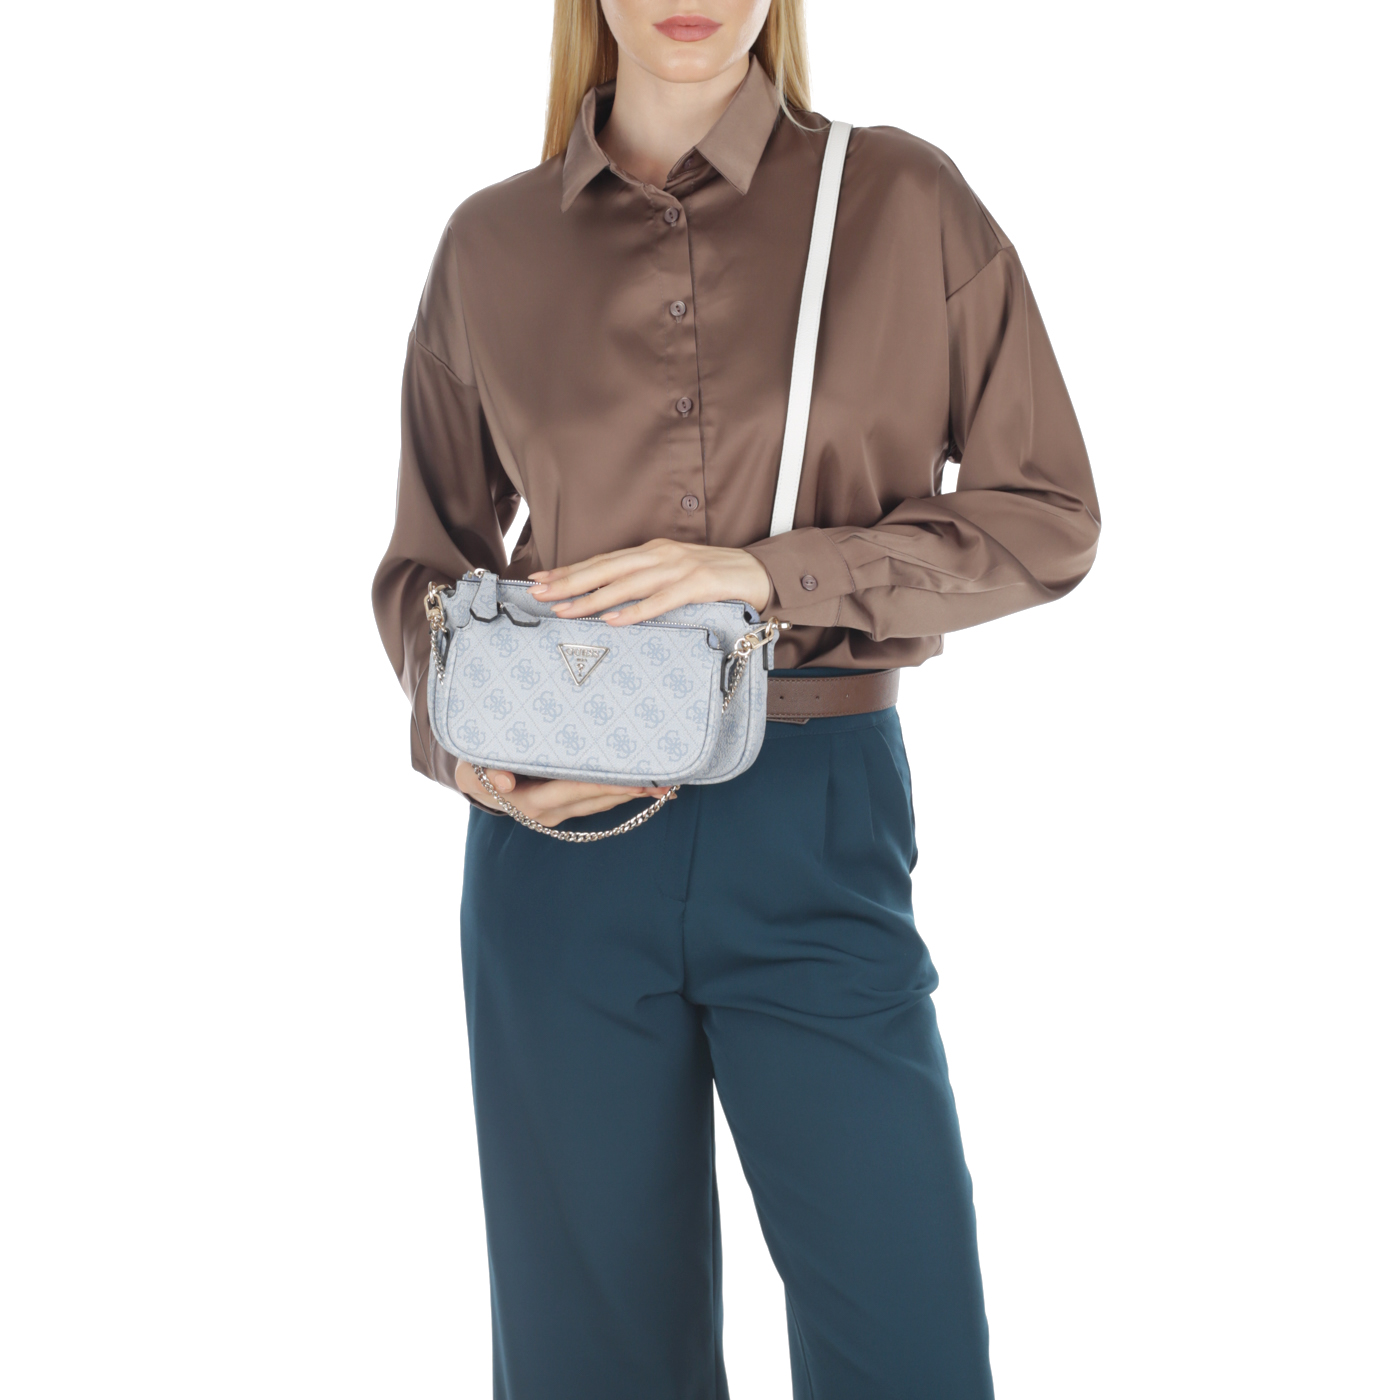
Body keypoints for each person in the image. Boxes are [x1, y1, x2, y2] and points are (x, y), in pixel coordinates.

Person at [371, 1, 1099, 1395]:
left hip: (816, 815)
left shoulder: (899, 200)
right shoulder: (491, 244)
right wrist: (469, 757)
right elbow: (426, 570)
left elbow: (1049, 516)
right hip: (559, 852)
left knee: (908, 1347)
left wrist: (771, 573)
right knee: (589, 1365)